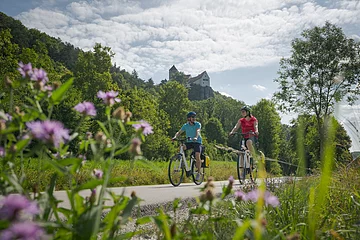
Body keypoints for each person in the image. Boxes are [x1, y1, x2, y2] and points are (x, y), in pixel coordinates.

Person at [172, 111, 203, 180]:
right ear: (189, 118)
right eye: (193, 117)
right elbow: (179, 132)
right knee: (181, 147)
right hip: (189, 141)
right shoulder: (185, 125)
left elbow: (198, 131)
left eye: (194, 117)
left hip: (197, 142)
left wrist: (195, 137)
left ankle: (198, 172)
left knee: (197, 155)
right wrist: (175, 137)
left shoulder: (198, 124)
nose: (194, 119)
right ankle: (181, 161)